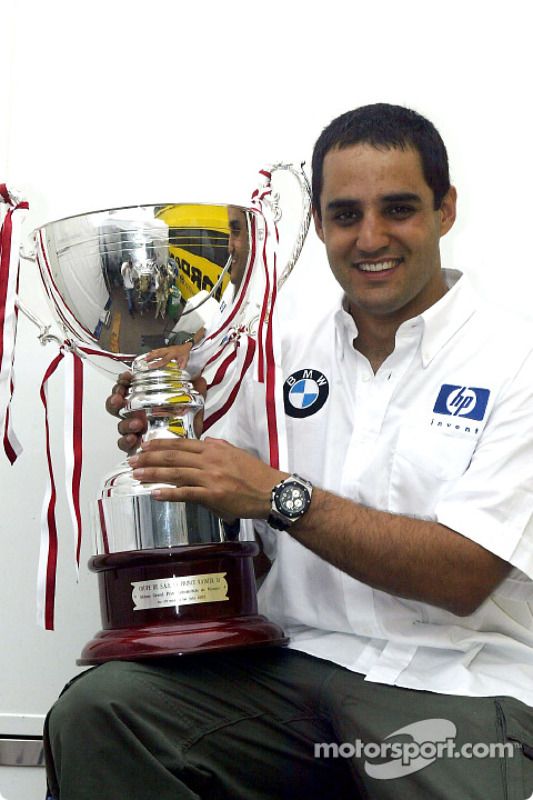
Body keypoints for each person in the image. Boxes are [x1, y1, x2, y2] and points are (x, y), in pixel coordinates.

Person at [45, 104, 533, 799]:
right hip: (290, 673)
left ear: (444, 209)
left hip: (458, 682)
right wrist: (173, 437)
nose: (370, 238)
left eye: (398, 209)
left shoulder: (516, 362)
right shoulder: (268, 354)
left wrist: (279, 495)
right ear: (319, 224)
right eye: (345, 215)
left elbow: (462, 577)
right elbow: (233, 532)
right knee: (103, 710)